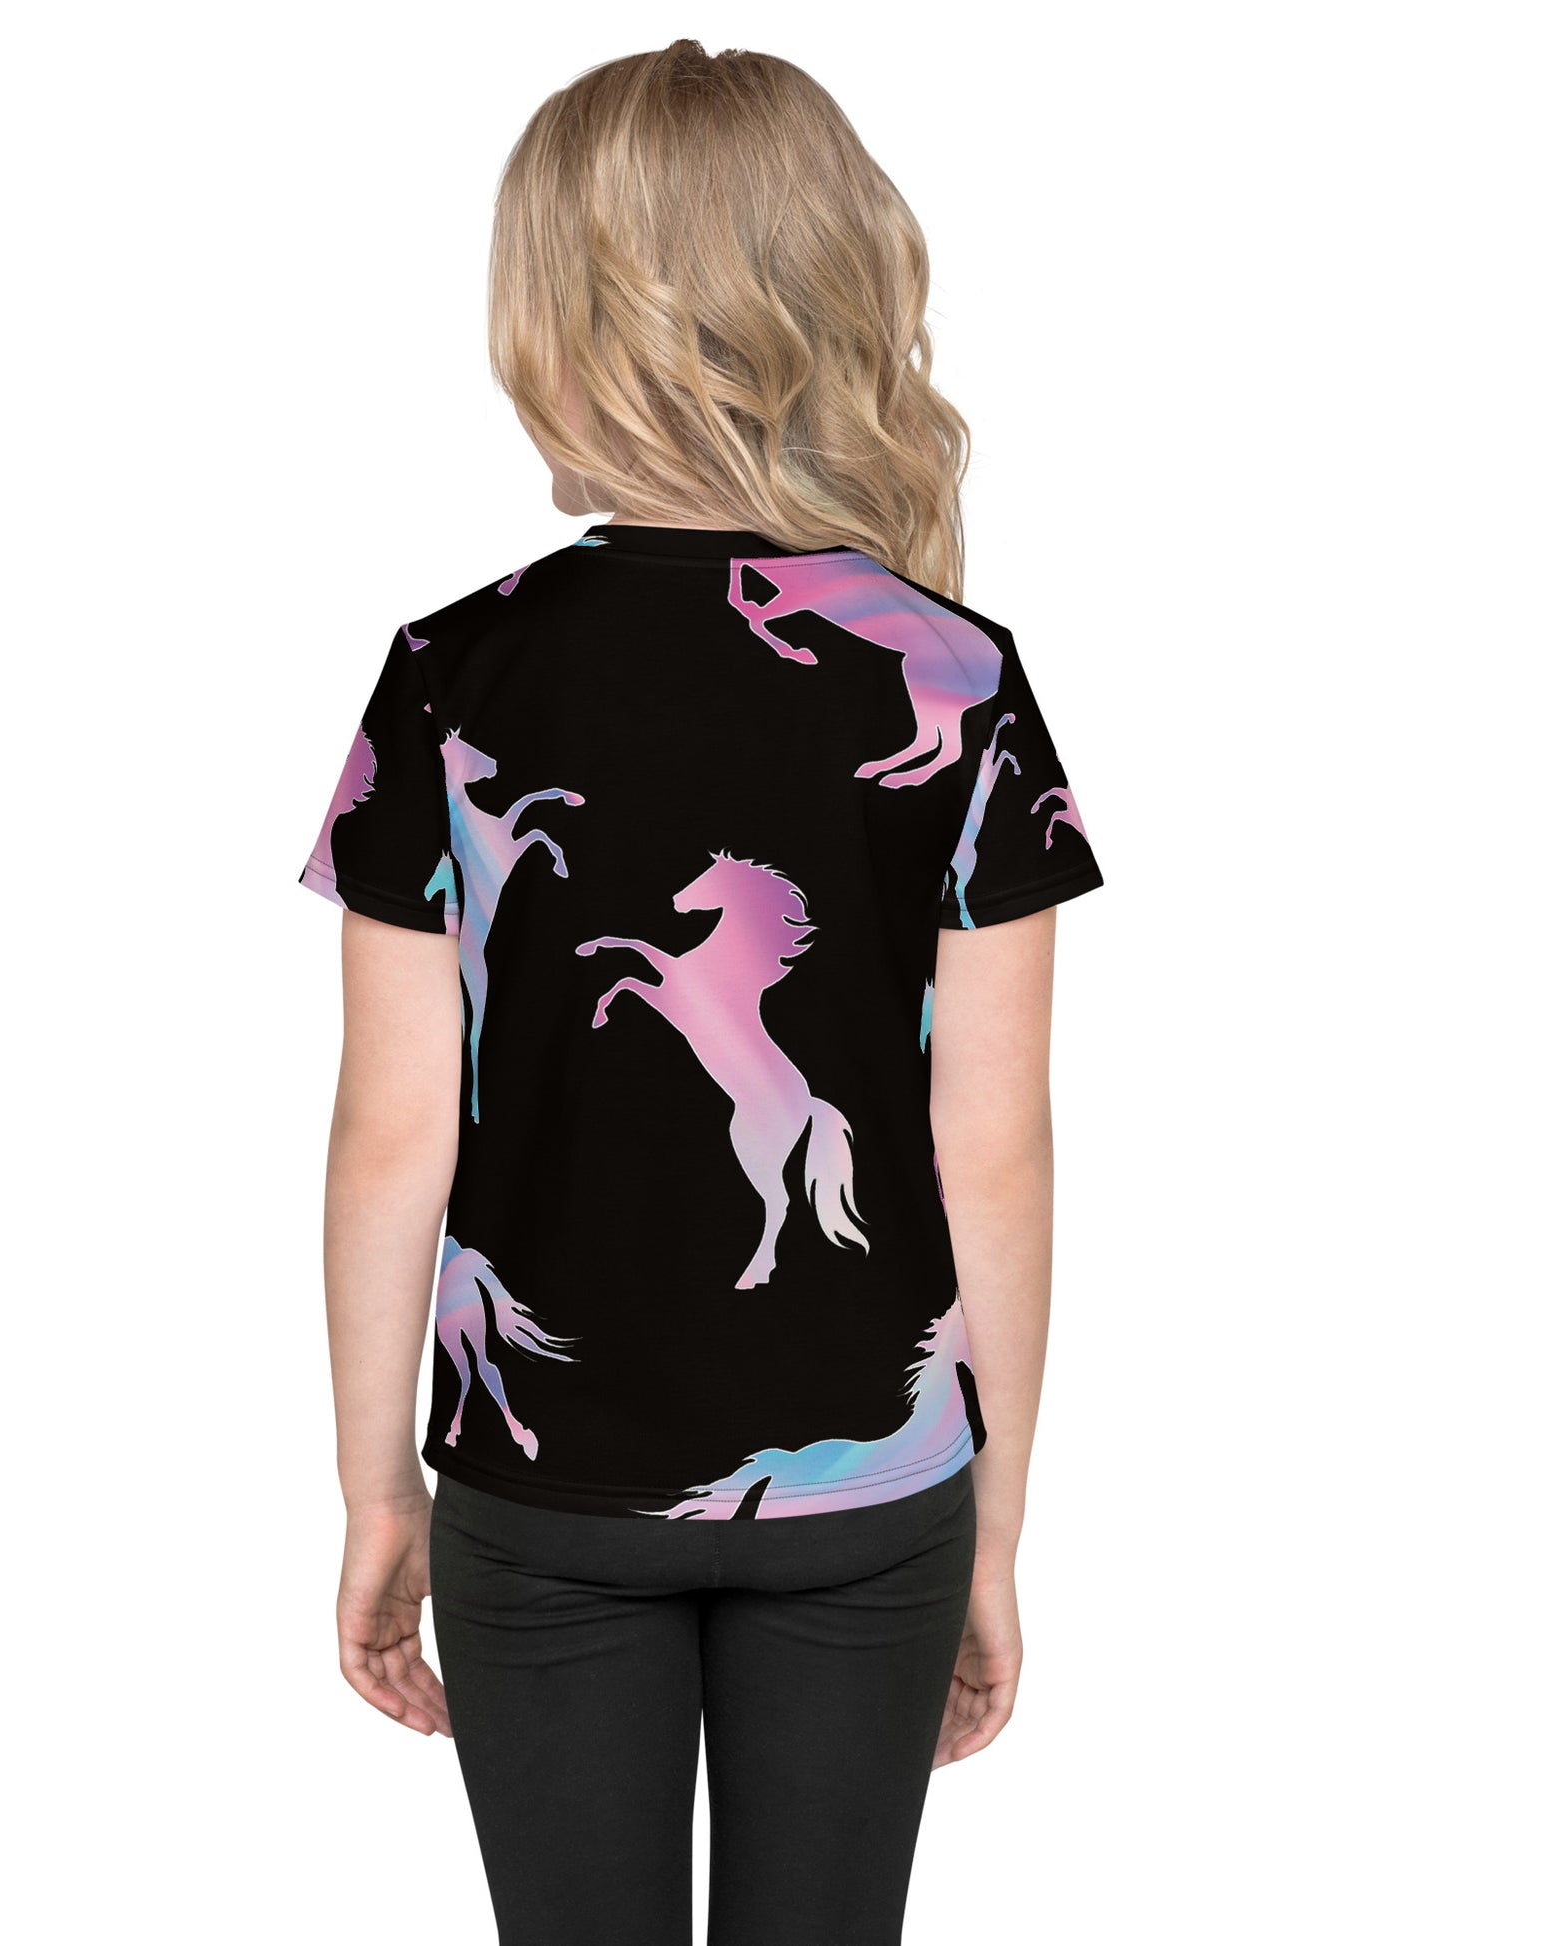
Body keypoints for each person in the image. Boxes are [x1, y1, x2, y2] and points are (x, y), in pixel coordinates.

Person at [300, 40, 1102, 1946]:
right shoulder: (958, 677)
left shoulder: (452, 676)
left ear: (553, 321)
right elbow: (989, 1143)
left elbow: (392, 1132)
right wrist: (993, 1517)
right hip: (871, 1491)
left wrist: (376, 1492)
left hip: (540, 1484)